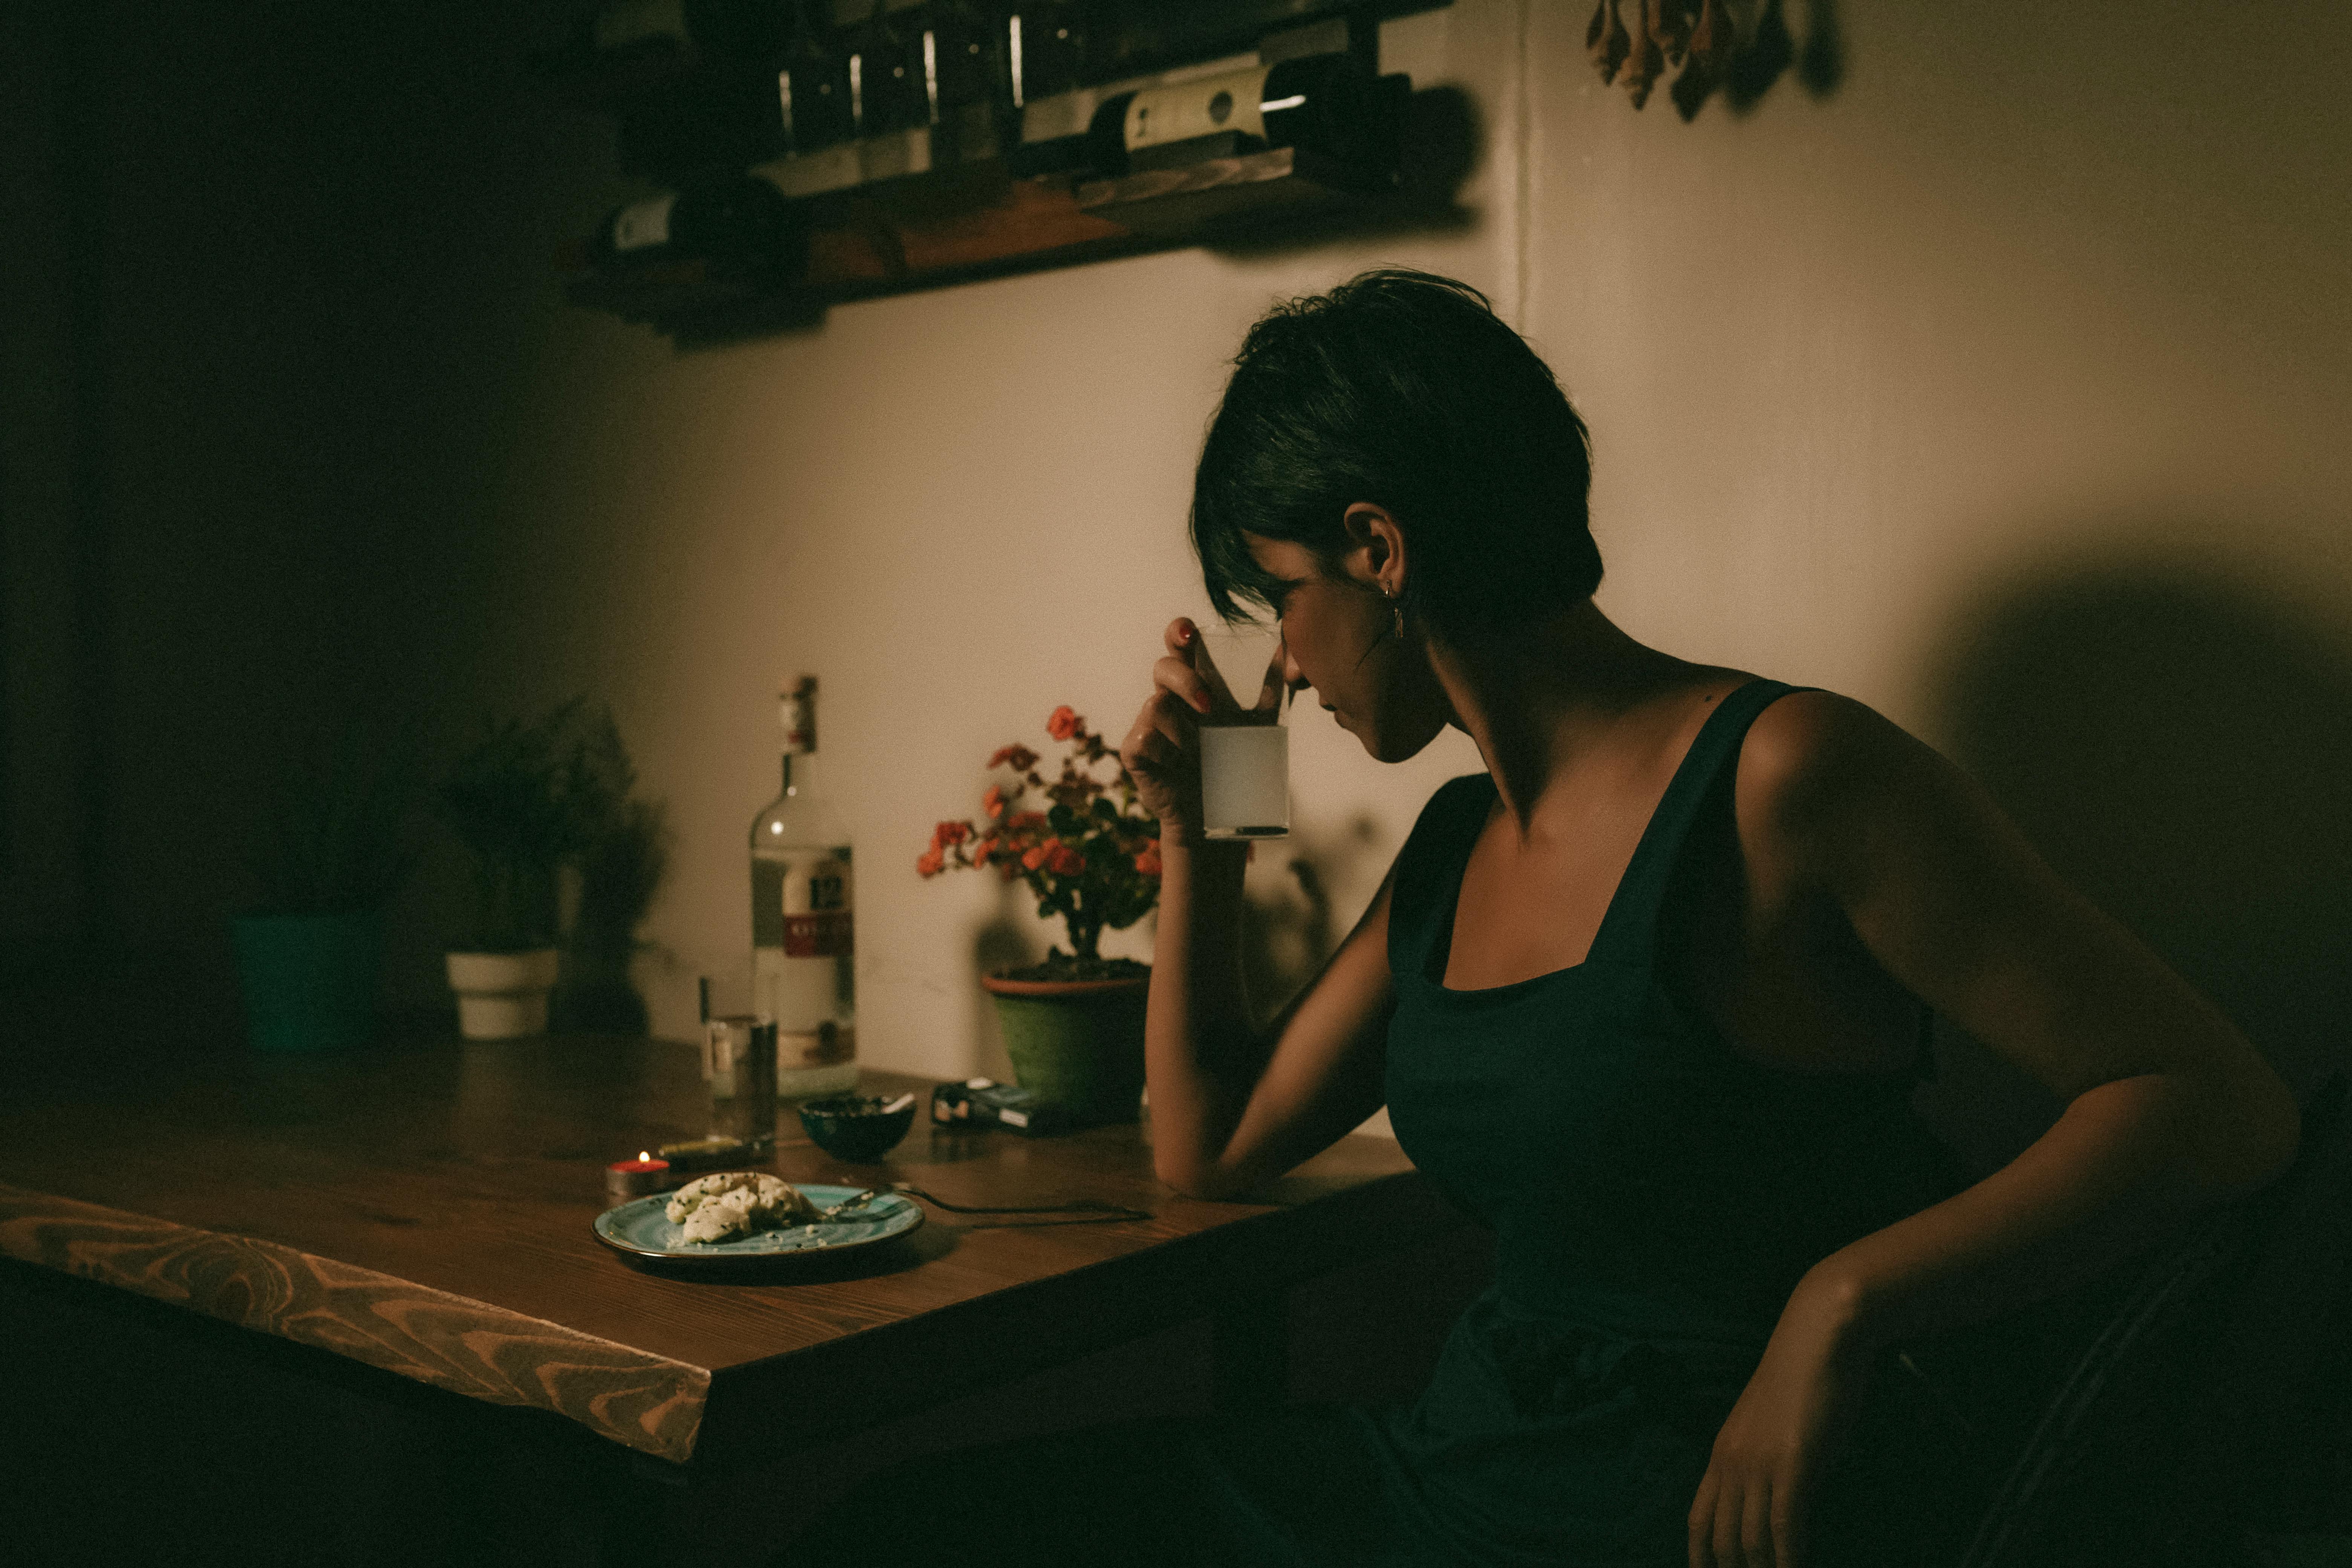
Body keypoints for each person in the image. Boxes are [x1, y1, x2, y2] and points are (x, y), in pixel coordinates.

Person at [779, 270, 2302, 1568]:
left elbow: (2212, 1100)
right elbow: (1212, 1142)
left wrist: (1838, 1303)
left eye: (1283, 594)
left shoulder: (1785, 777)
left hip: (1666, 1508)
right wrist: (1204, 824)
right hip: (1458, 1466)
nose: (1288, 665)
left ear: (1382, 550)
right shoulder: (1458, 845)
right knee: (896, 1521)